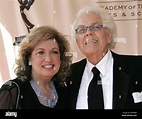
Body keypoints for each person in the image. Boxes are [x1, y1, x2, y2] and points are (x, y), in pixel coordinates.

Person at [66, 5, 142, 109]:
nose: (88, 33)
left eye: (96, 27)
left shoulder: (138, 67)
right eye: (81, 29)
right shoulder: (69, 75)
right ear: (77, 41)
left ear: (109, 35)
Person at [0, 25, 72, 109]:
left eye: (54, 52)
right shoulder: (13, 91)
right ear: (29, 58)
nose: (48, 59)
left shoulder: (63, 90)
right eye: (40, 52)